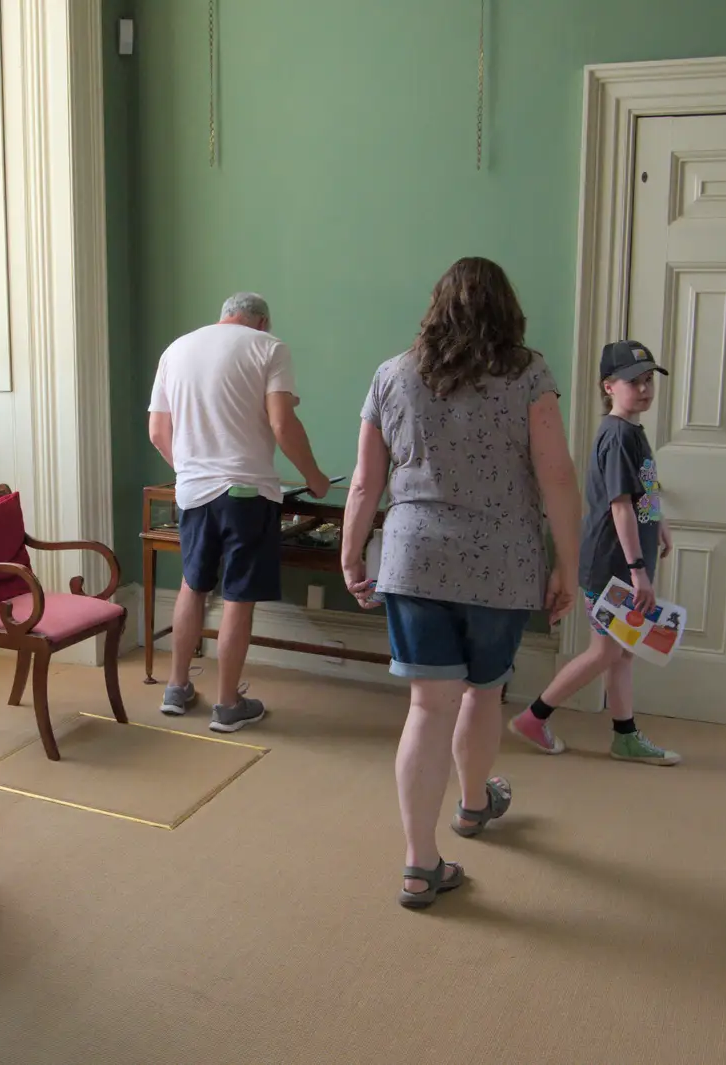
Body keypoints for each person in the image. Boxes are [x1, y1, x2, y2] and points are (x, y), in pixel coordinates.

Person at [339, 258, 582, 910]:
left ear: (435, 307)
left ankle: (420, 863)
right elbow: (557, 475)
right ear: (508, 310)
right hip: (503, 561)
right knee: (484, 690)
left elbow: (364, 481)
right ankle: (474, 807)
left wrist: (350, 552)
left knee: (427, 705)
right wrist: (569, 564)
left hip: (415, 560)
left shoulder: (392, 375)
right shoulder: (530, 374)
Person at [147, 292, 330, 732]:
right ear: (261, 322)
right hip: (247, 493)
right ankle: (228, 705)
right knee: (237, 597)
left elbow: (157, 431)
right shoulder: (269, 347)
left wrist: (192, 470)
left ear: (224, 316)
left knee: (193, 585)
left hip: (193, 493)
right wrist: (316, 477)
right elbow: (283, 423)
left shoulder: (177, 349)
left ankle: (176, 688)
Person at [507, 340, 682, 765]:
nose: (643, 390)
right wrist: (638, 570)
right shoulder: (618, 435)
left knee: (622, 650)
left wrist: (658, 524)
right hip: (612, 565)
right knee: (605, 651)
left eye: (647, 381)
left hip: (625, 561)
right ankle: (534, 717)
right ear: (608, 386)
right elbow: (618, 505)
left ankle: (625, 735)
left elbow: (642, 493)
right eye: (632, 382)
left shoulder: (631, 433)